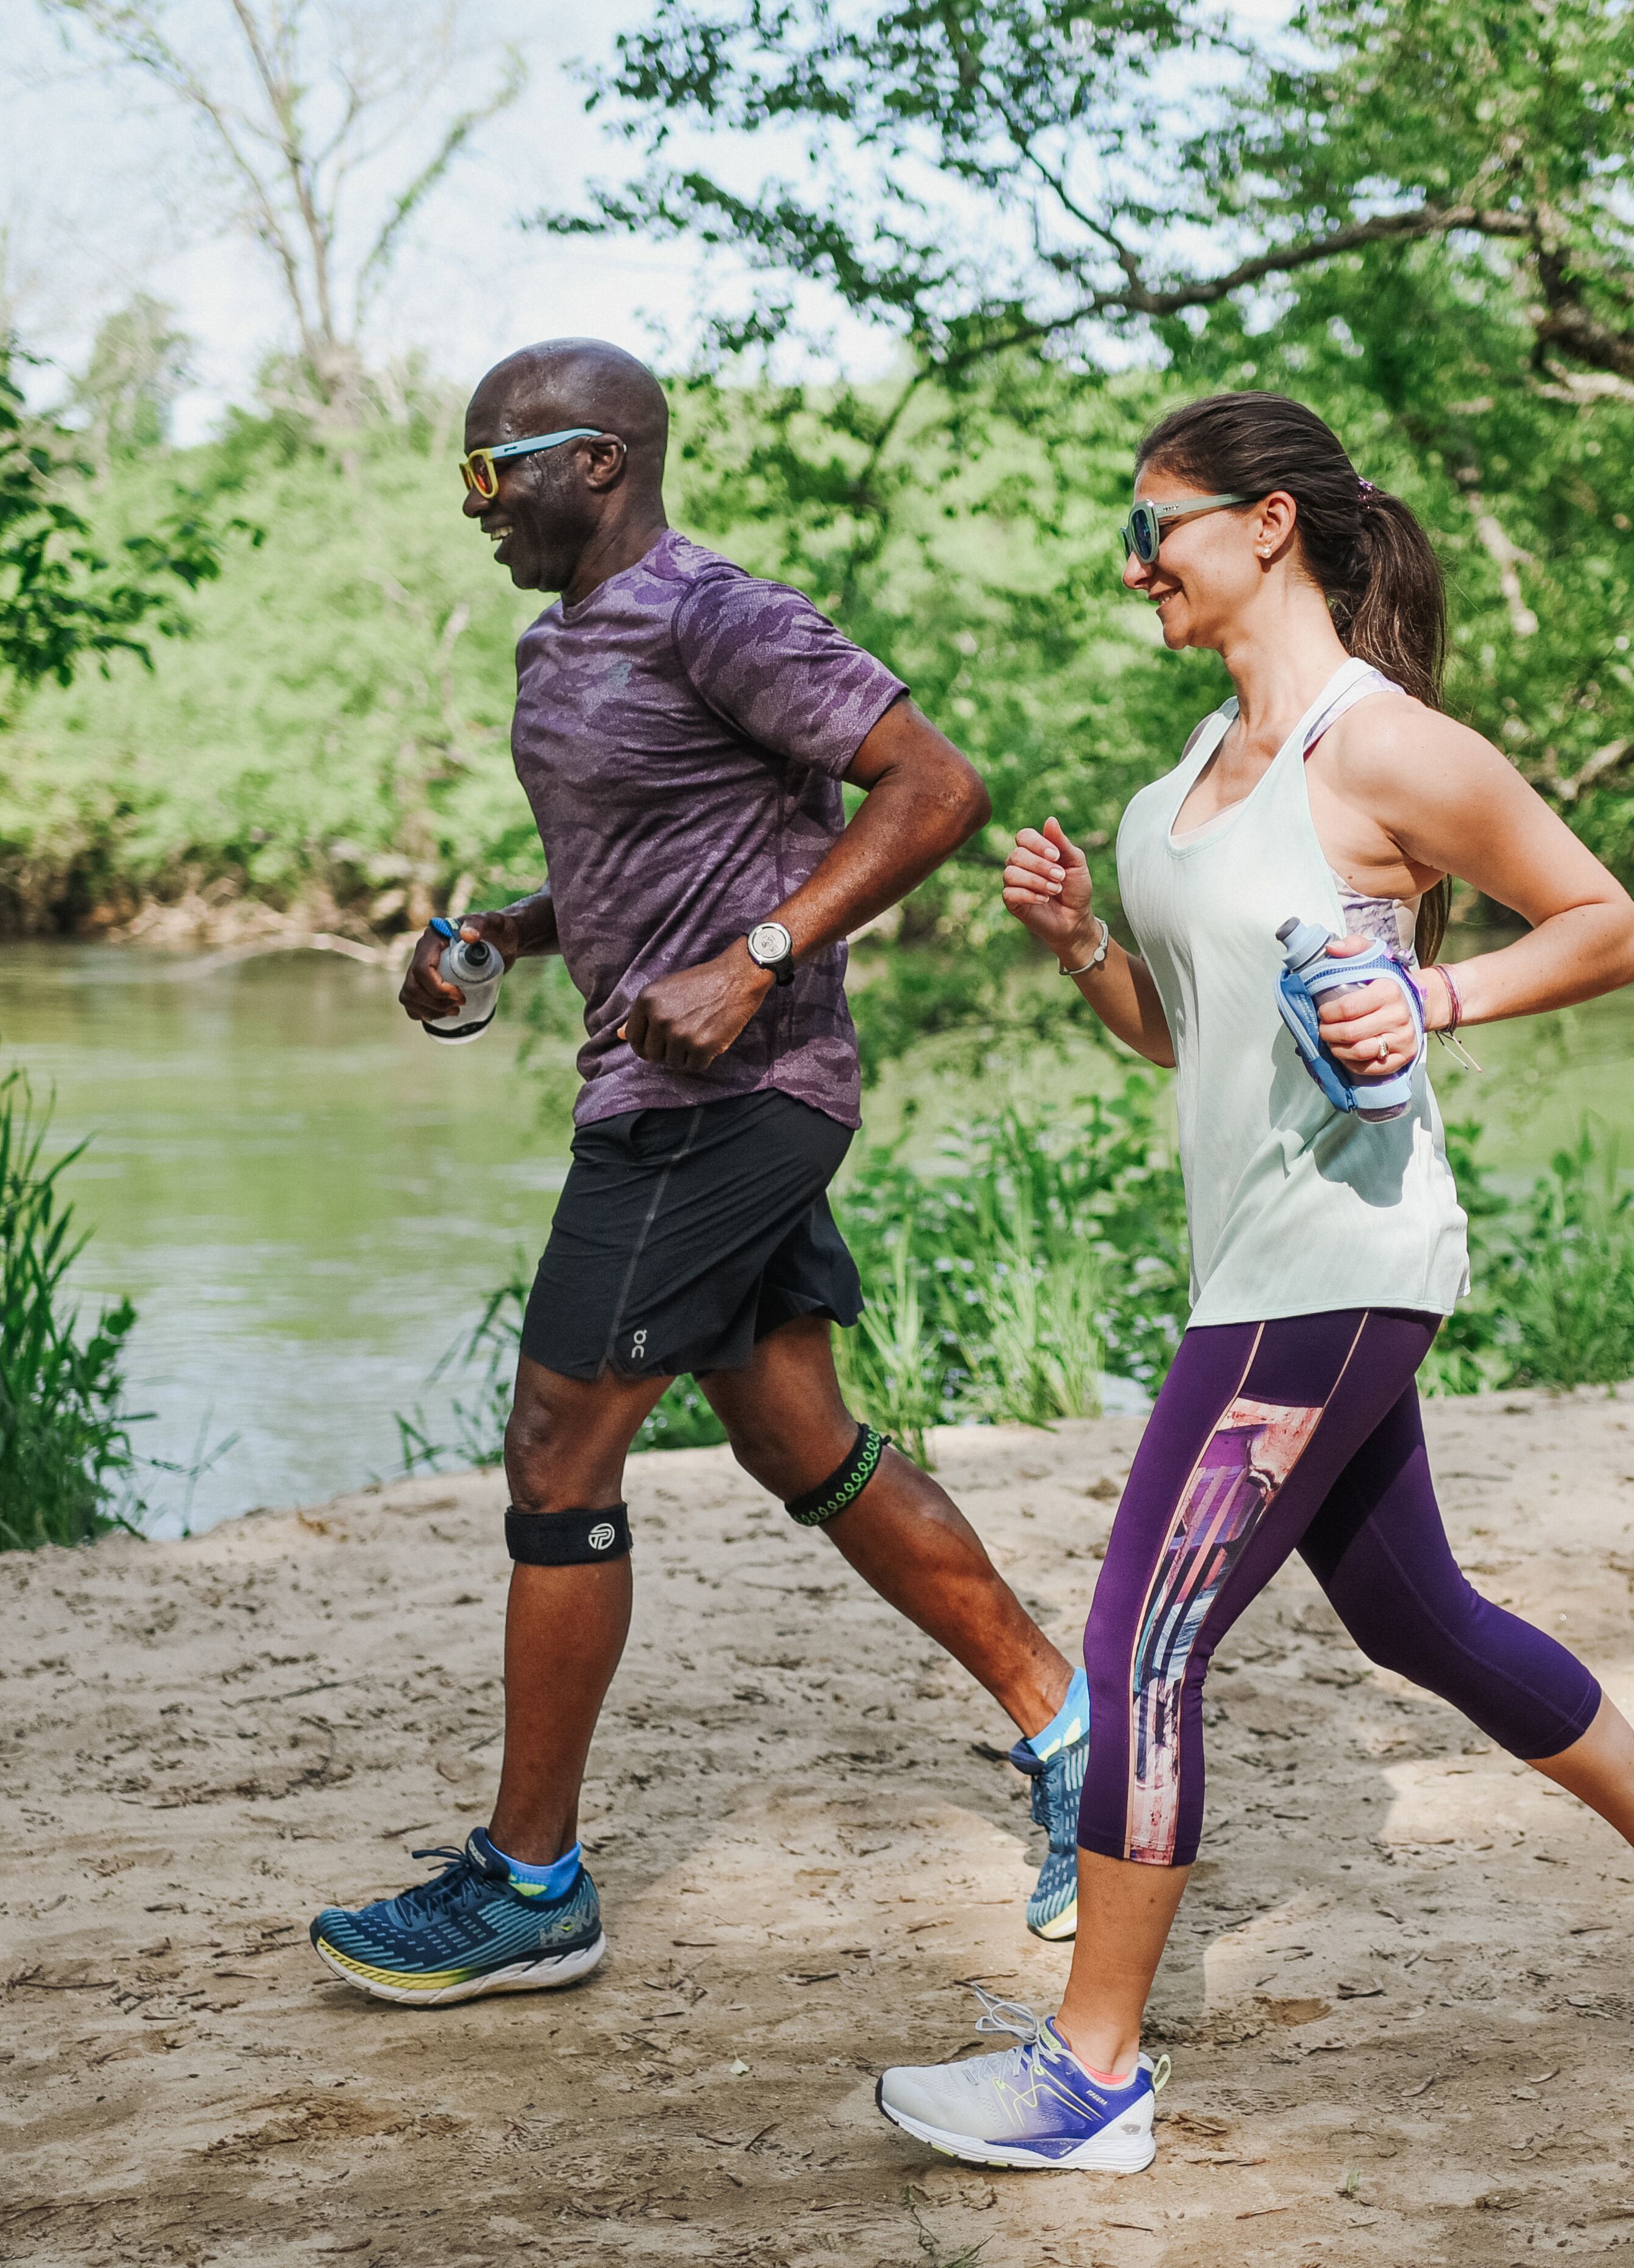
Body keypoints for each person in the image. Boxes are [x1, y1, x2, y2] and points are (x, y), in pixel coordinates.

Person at [871, 392, 1634, 2173]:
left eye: (1154, 526)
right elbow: (1183, 1041)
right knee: (1416, 1620)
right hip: (1255, 1275)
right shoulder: (1173, 803)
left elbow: (1611, 925)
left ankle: (1090, 2075)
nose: (1130, 561)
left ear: (1270, 524)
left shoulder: (1384, 756)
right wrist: (1083, 948)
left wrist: (1439, 997)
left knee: (1146, 1643)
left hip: (1348, 1259)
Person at [307, 340, 1094, 2006]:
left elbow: (935, 788)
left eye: (488, 471)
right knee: (794, 1431)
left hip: (730, 1098)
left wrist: (758, 955)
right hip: (672, 1088)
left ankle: (533, 1886)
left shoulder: (716, 613)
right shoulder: (560, 649)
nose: (473, 509)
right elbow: (647, 854)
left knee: (553, 1445)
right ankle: (1073, 1727)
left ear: (598, 462)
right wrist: (506, 938)